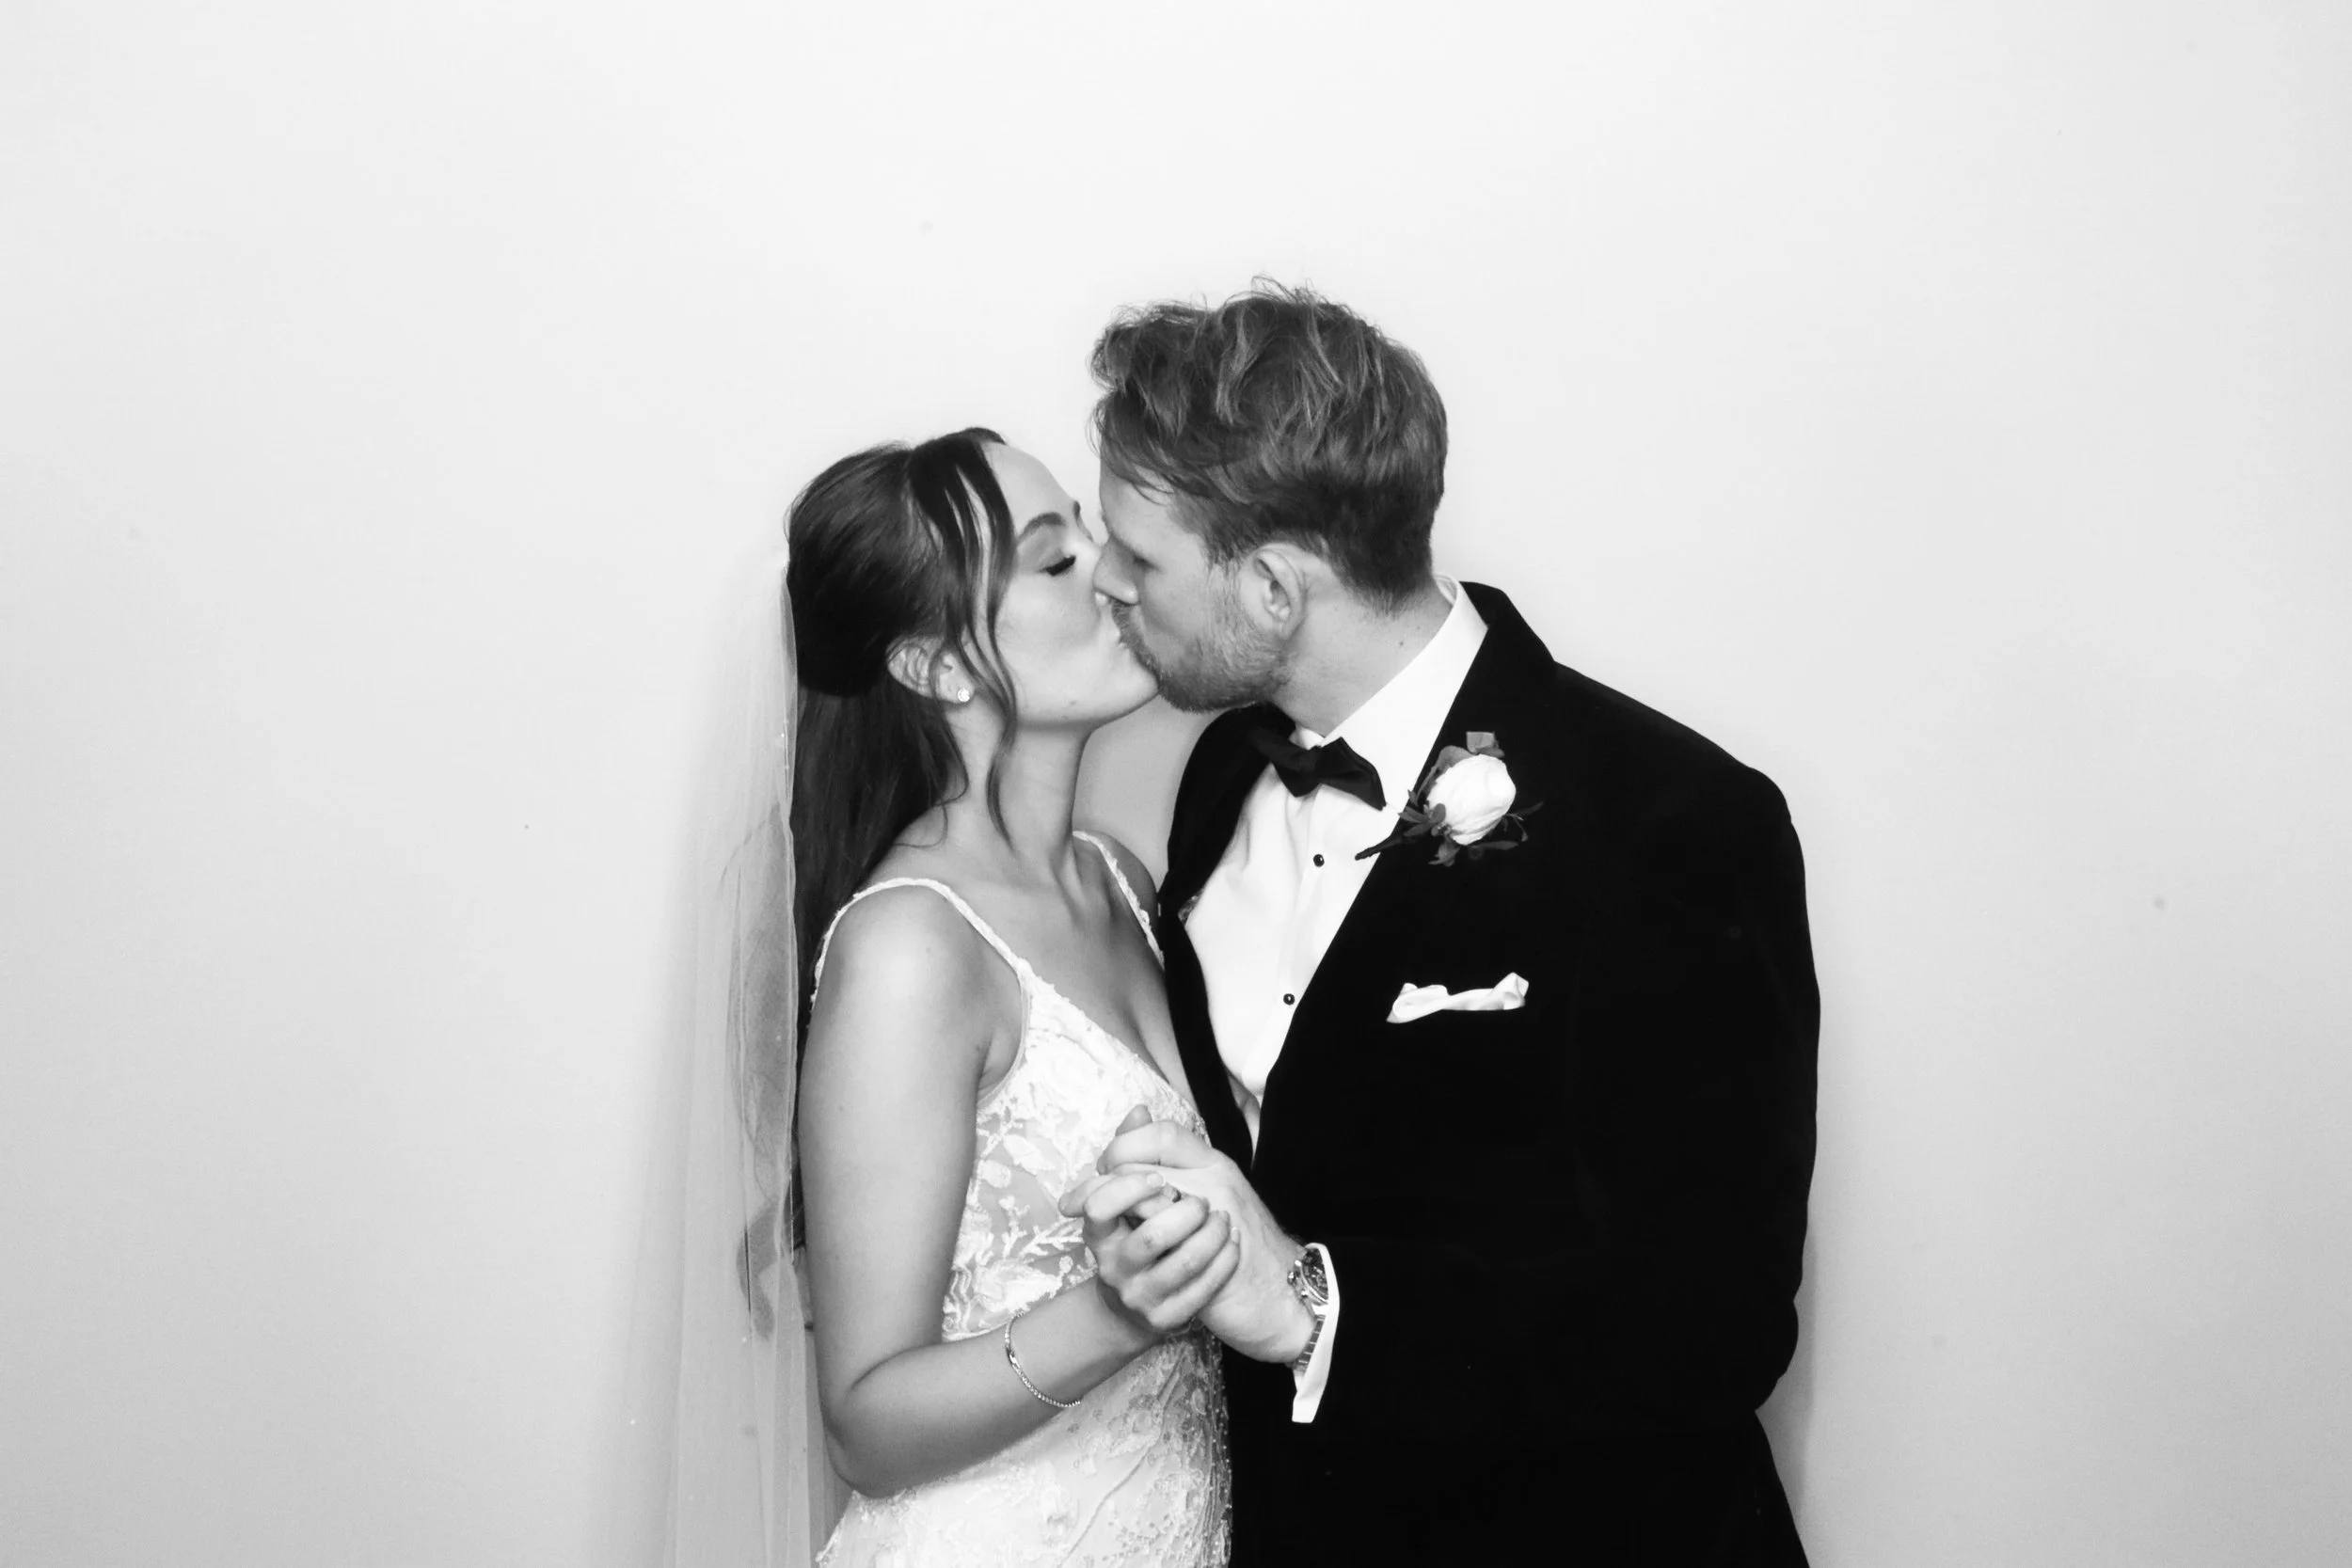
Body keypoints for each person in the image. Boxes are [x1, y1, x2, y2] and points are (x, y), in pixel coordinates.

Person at [1067, 285, 1820, 1564]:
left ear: (1272, 584)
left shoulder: (1672, 820)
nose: (1106, 583)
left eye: (1141, 556)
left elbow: (1713, 1320)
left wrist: (1312, 1306)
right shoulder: (1219, 777)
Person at [783, 429, 1236, 1566]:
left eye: (1089, 530)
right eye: (1051, 558)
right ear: (935, 664)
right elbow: (865, 1420)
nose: (1111, 569)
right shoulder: (911, 948)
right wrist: (1120, 1310)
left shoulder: (1120, 880)